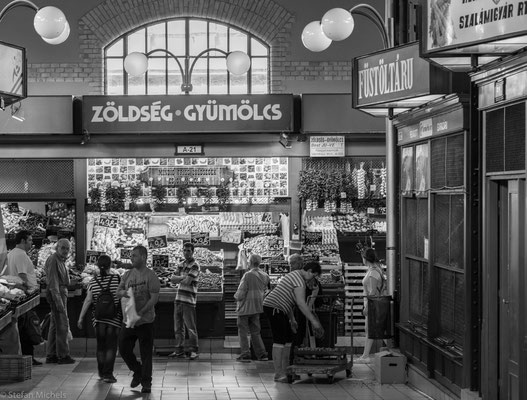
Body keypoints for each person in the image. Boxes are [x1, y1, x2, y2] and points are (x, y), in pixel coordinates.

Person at [263, 261, 324, 382]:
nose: (313, 278)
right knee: (279, 340)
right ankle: (279, 374)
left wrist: (292, 319)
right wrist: (315, 322)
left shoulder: (295, 275)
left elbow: (289, 299)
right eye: (313, 275)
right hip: (274, 307)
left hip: (280, 308)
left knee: (288, 339)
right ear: (310, 271)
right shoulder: (299, 281)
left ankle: (286, 371)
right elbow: (301, 303)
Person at [117, 245, 160, 394]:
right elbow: (118, 291)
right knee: (123, 348)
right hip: (128, 321)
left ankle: (146, 383)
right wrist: (125, 293)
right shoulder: (127, 274)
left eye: (134, 255)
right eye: (131, 255)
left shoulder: (151, 276)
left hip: (145, 321)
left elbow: (154, 298)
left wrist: (141, 312)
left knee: (146, 353)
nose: (131, 258)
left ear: (143, 257)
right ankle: (138, 370)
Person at [77, 255, 122, 382]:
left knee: (101, 346)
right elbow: (122, 297)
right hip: (114, 320)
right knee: (111, 347)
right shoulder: (117, 278)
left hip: (98, 320)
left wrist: (80, 318)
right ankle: (108, 374)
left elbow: (88, 300)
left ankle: (101, 373)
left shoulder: (93, 282)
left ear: (97, 266)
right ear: (111, 265)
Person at [5, 231, 42, 365]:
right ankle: (28, 357)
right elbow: (22, 275)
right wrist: (28, 289)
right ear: (22, 241)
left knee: (22, 326)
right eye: (30, 240)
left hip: (16, 293)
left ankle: (26, 356)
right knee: (27, 327)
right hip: (24, 295)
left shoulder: (11, 254)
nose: (31, 243)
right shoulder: (21, 255)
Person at [233, 253, 270, 362]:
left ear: (250, 262)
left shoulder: (248, 275)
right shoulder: (265, 275)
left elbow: (241, 292)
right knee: (256, 332)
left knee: (243, 332)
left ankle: (245, 354)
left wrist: (236, 297)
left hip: (245, 307)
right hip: (257, 306)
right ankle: (262, 354)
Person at [45, 238, 75, 364]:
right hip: (57, 295)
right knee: (62, 324)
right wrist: (58, 301)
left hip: (61, 293)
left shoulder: (61, 260)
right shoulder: (53, 260)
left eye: (67, 248)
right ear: (57, 248)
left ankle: (51, 354)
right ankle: (63, 355)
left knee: (55, 324)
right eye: (63, 248)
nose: (65, 251)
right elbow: (53, 283)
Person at [169, 242, 200, 360]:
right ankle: (179, 350)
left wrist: (180, 278)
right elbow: (172, 279)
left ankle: (194, 350)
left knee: (190, 327)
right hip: (178, 299)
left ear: (193, 251)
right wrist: (184, 277)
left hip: (189, 300)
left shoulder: (195, 265)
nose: (186, 252)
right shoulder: (180, 264)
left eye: (188, 250)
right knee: (178, 327)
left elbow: (187, 282)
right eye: (185, 250)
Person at [358, 248, 386, 362]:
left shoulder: (373, 272)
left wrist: (367, 307)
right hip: (374, 303)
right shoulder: (375, 269)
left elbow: (372, 292)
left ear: (365, 258)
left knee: (370, 330)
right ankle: (366, 355)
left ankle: (365, 356)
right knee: (372, 329)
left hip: (372, 304)